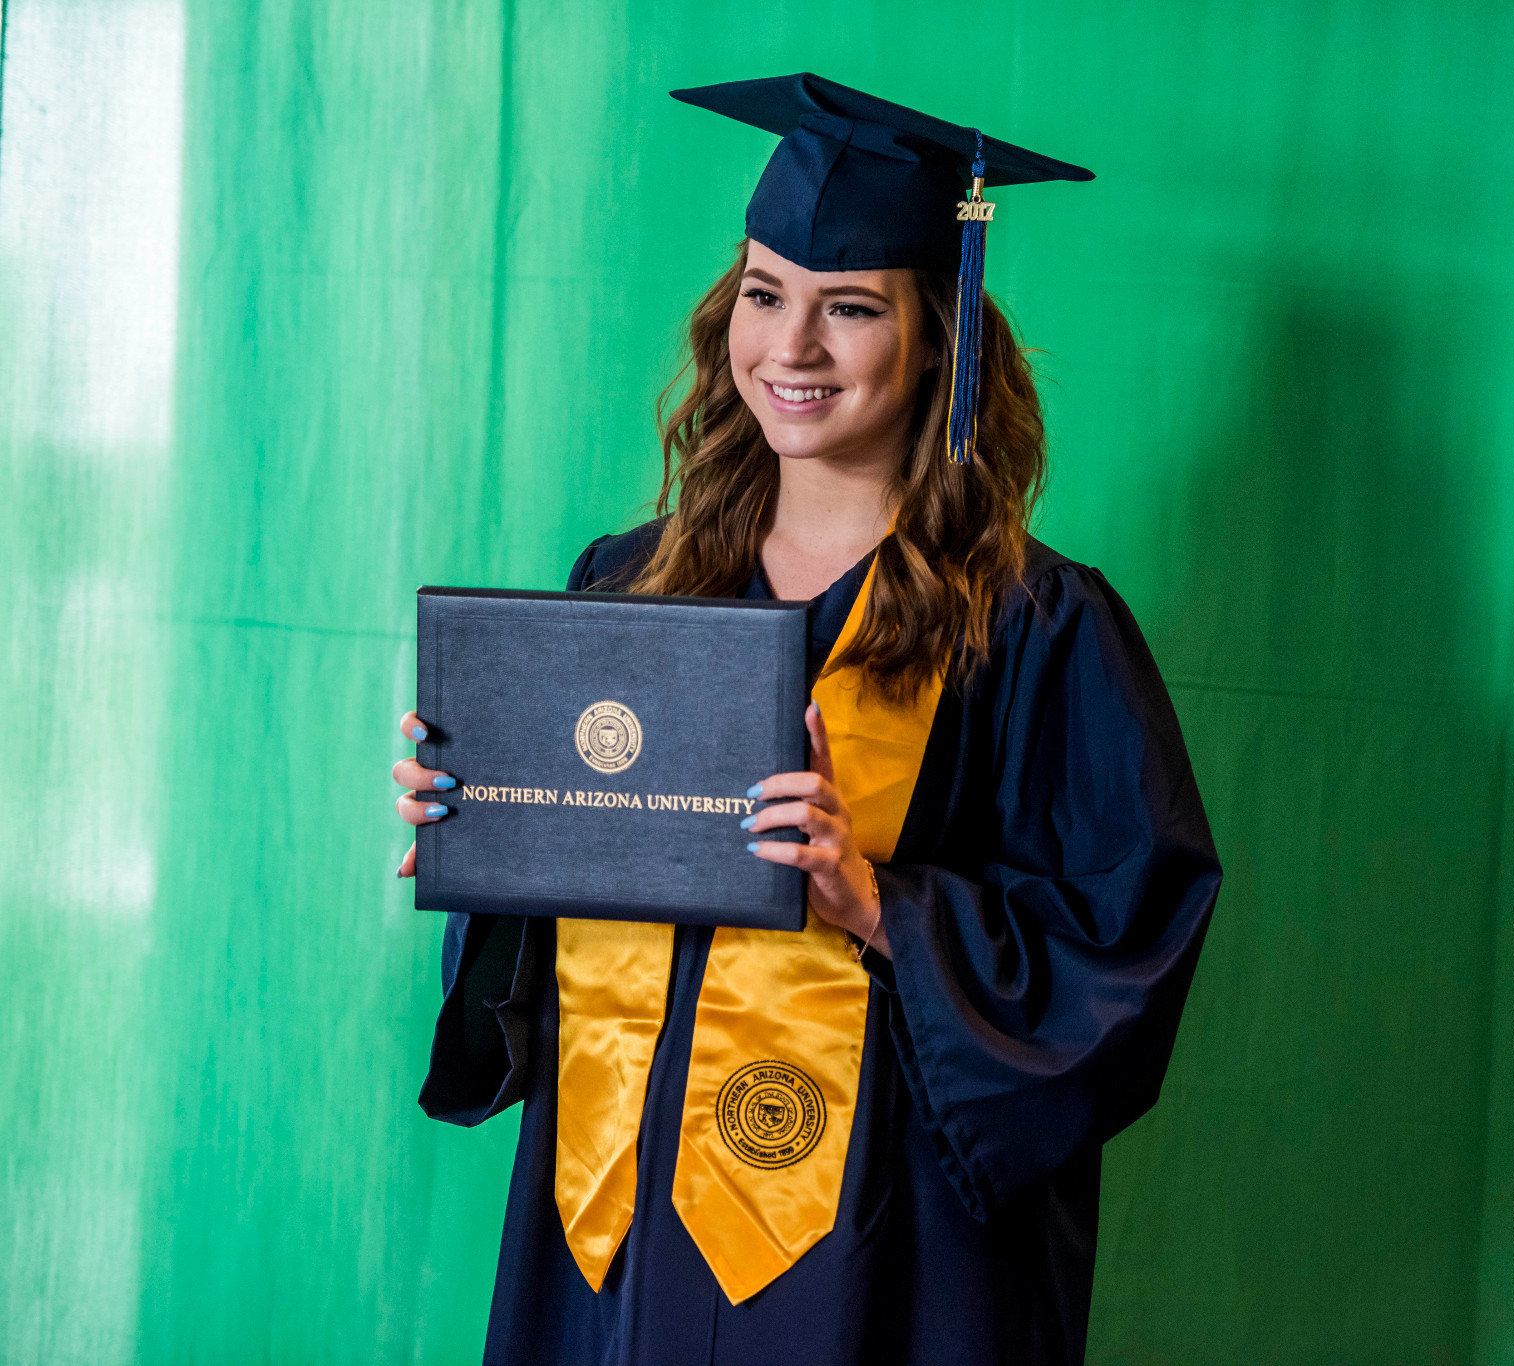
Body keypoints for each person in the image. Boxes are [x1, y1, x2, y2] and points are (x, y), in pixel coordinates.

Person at [389, 72, 1220, 1366]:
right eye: (767, 295)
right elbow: (560, 937)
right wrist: (483, 841)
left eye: (851, 308)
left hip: (883, 1251)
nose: (793, 349)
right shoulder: (629, 583)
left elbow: (1130, 944)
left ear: (940, 336)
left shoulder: (1038, 628)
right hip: (616, 1221)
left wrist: (881, 902)